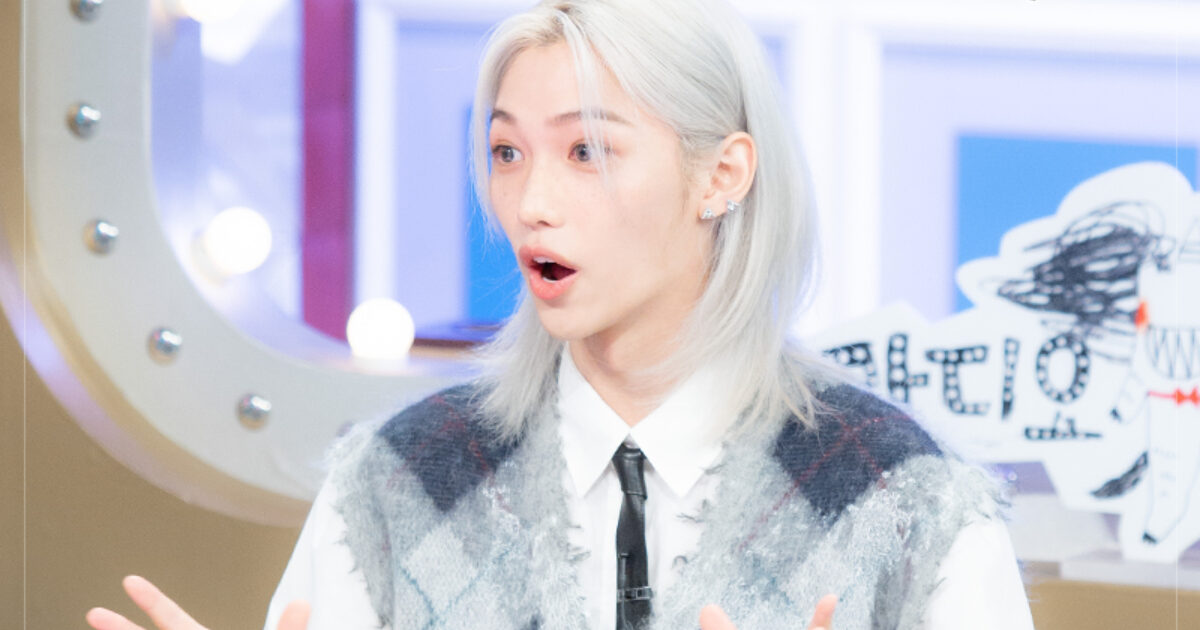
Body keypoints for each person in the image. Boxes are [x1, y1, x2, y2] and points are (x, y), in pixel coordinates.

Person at [87, 1, 1034, 629]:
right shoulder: (392, 485)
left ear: (722, 175)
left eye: (586, 151)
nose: (532, 203)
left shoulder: (911, 507)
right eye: (507, 153)